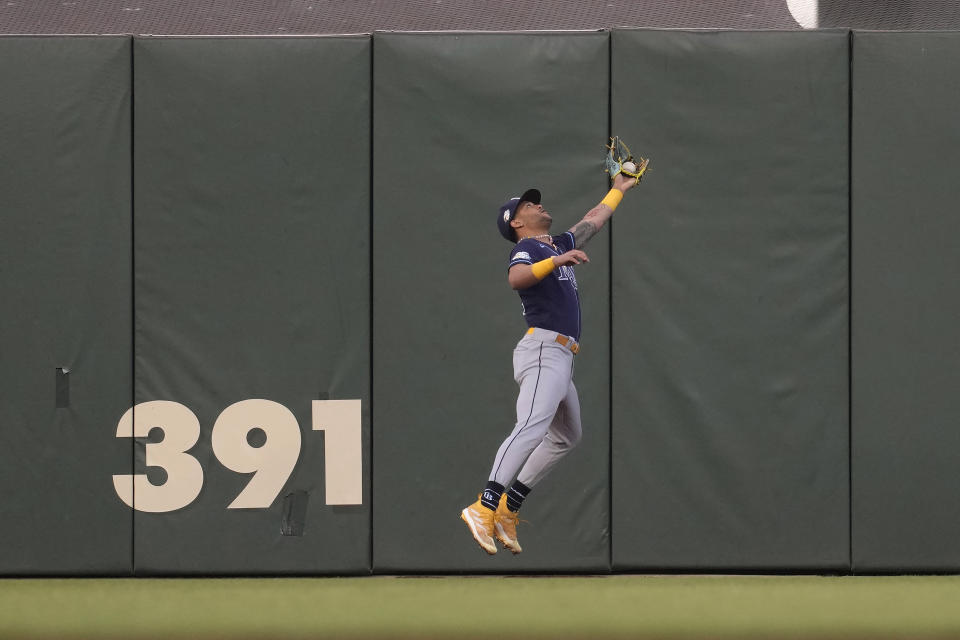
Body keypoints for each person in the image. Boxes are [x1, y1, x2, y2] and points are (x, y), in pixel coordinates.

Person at [460, 172, 640, 554]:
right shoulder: (527, 248)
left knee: (566, 435)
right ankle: (484, 505)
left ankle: (510, 506)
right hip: (543, 350)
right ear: (517, 222)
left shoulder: (555, 243)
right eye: (528, 204)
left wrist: (618, 190)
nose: (538, 204)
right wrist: (557, 259)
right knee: (530, 426)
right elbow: (517, 278)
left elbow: (592, 220)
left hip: (560, 357)